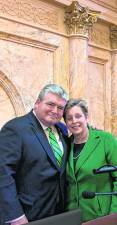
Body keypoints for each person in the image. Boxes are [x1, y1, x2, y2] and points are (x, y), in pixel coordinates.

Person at [0, 84, 69, 225]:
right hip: (26, 216)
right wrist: (16, 216)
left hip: (57, 213)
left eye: (60, 108)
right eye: (50, 104)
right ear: (37, 103)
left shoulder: (62, 130)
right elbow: (3, 174)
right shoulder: (15, 128)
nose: (55, 111)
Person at [63, 98, 117, 222]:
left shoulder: (106, 140)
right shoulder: (66, 145)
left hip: (101, 215)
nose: (74, 121)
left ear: (86, 117)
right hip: (72, 216)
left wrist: (113, 215)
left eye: (78, 116)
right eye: (69, 118)